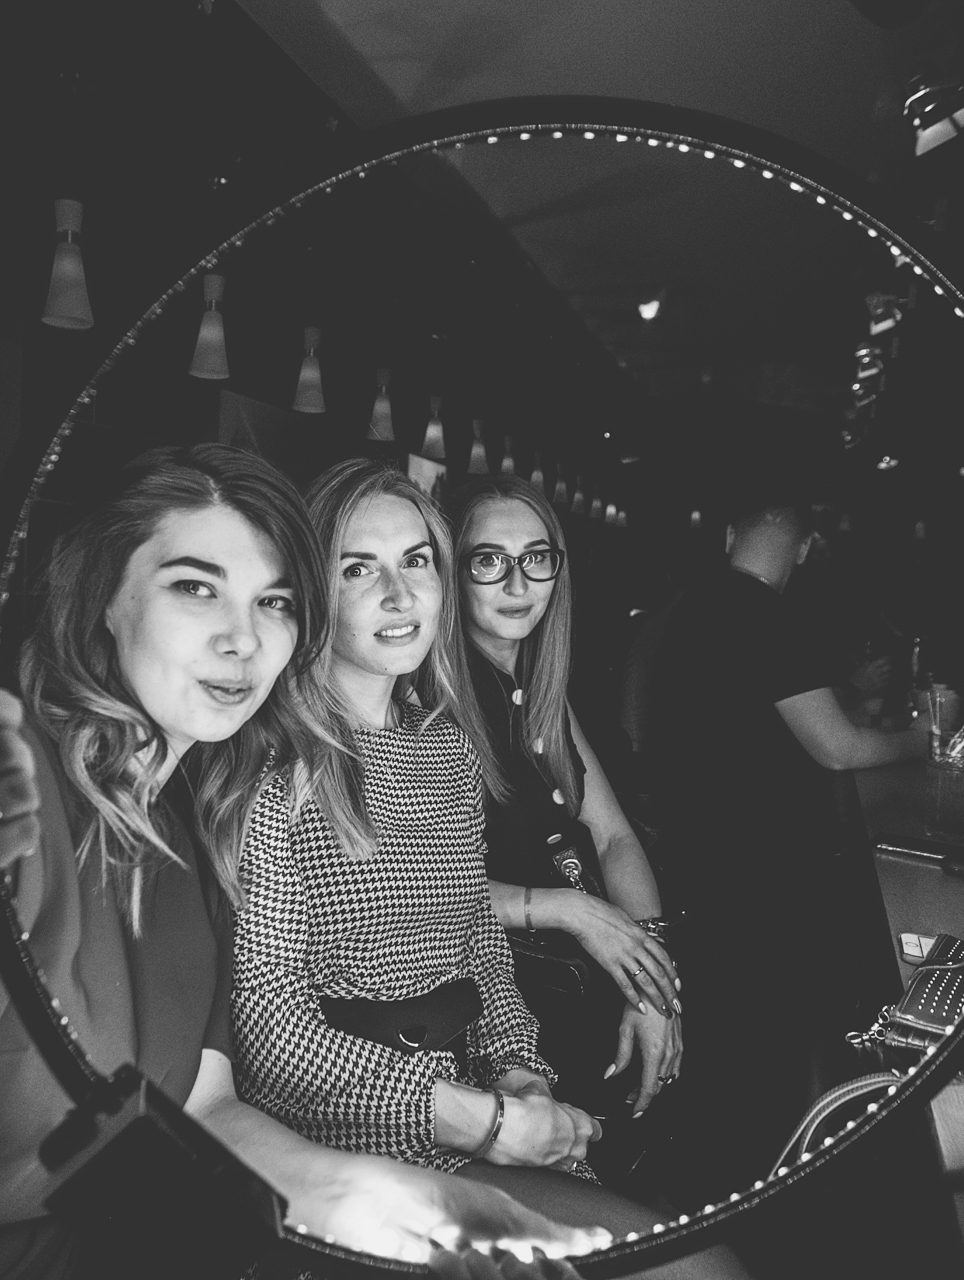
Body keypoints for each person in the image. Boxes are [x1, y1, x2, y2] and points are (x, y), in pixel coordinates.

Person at [0, 446, 607, 1280]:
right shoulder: (0, 793)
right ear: (103, 599)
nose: (242, 637)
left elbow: (209, 1113)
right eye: (195, 587)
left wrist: (407, 1202)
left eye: (273, 601)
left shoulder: (189, 834)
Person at [231, 460, 748, 1280]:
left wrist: (519, 1071)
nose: (399, 594)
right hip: (351, 1138)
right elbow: (270, 1030)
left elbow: (475, 939)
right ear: (311, 589)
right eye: (359, 568)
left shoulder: (445, 747)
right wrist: (485, 1121)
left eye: (416, 561)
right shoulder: (273, 765)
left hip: (479, 1100)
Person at [638, 490, 928, 1195]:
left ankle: (716, 1171)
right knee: (759, 1056)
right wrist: (931, 741)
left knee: (730, 1053)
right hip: (752, 878)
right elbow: (838, 748)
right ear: (802, 549)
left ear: (729, 534)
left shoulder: (695, 605)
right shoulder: (763, 613)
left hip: (696, 855)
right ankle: (762, 1184)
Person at [446, 475, 681, 1150]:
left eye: (537, 558)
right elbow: (415, 891)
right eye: (489, 560)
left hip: (598, 969)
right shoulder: (426, 705)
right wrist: (570, 910)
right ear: (452, 572)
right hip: (514, 1001)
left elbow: (612, 838)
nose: (518, 583)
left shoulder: (540, 688)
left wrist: (651, 983)